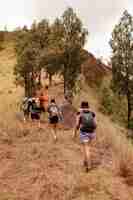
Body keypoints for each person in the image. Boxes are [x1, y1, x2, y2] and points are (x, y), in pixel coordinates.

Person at [73, 101, 97, 172]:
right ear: (88, 106)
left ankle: (89, 166)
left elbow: (77, 124)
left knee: (87, 149)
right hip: (91, 132)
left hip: (84, 132)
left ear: (82, 106)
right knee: (87, 147)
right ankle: (85, 161)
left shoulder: (79, 113)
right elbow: (96, 124)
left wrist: (75, 132)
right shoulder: (92, 113)